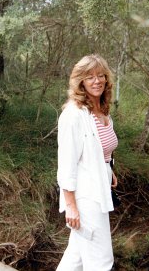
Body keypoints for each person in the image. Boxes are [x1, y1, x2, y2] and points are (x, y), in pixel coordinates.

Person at [56, 54, 118, 270]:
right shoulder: (74, 115)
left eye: (101, 75)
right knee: (101, 261)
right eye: (90, 76)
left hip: (98, 189)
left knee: (76, 258)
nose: (97, 81)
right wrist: (71, 206)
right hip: (86, 198)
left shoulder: (100, 110)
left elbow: (101, 150)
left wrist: (109, 171)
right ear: (80, 81)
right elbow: (66, 164)